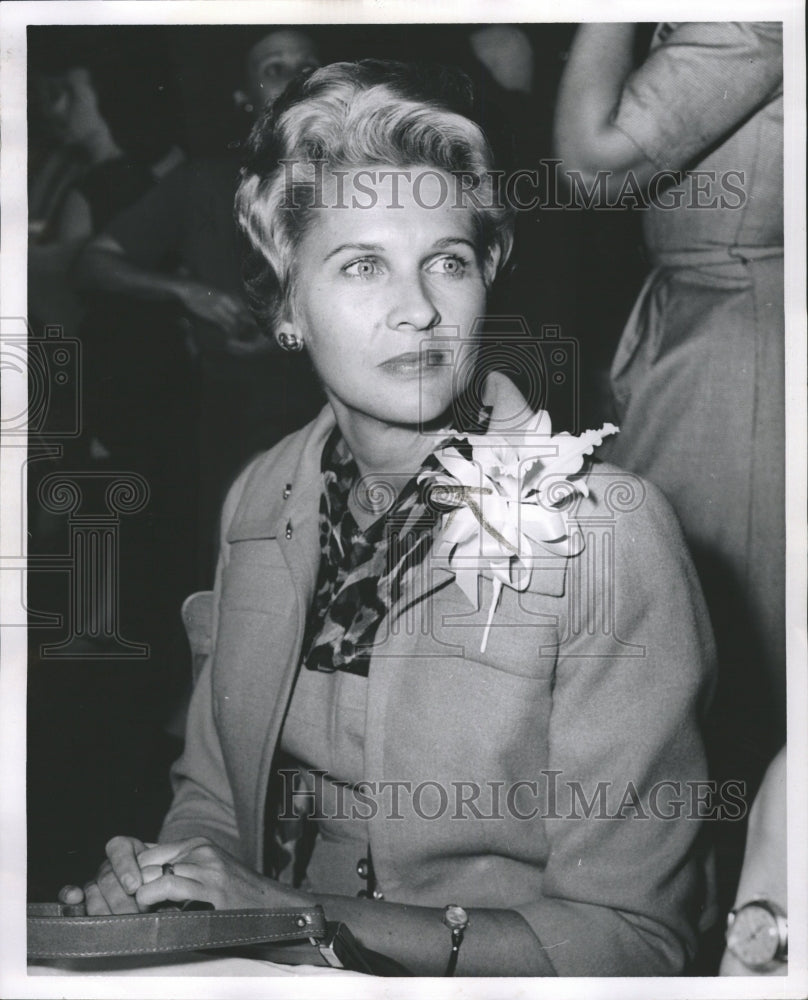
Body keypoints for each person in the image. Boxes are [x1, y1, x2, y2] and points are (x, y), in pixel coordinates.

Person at [59, 60, 715, 977]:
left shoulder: (604, 534)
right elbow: (212, 796)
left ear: (487, 278)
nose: (418, 311)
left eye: (446, 261)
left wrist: (293, 917)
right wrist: (171, 886)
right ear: (287, 305)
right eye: (362, 264)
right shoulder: (262, 495)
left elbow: (638, 947)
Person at [554, 21, 785, 944]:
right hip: (696, 319)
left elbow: (591, 164)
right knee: (675, 651)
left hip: (734, 348)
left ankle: (724, 926)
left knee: (709, 666)